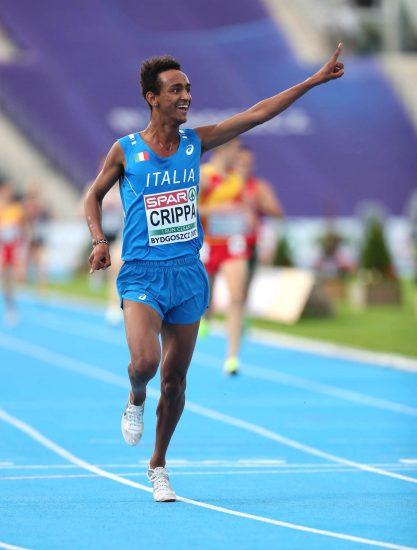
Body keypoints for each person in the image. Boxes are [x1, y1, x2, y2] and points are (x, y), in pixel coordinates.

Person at [84, 45, 344, 502]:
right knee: (144, 365)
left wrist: (312, 81)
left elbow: (258, 114)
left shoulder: (195, 143)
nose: (186, 95)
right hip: (143, 273)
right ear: (152, 97)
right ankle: (135, 398)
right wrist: (99, 239)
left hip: (187, 274)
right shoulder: (125, 150)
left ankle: (158, 465)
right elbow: (93, 196)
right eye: (175, 89)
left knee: (176, 380)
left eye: (187, 88)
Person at [198, 139, 250, 375]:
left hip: (231, 243)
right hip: (208, 243)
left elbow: (244, 206)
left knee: (237, 296)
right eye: (235, 151)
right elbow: (189, 208)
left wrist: (247, 217)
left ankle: (232, 357)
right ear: (223, 150)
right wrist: (217, 210)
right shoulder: (204, 176)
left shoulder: (237, 178)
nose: (239, 156)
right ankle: (205, 317)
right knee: (203, 296)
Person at [0, 180, 26, 325]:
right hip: (4, 248)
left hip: (14, 247)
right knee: (5, 280)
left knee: (18, 277)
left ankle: (13, 304)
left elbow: (23, 228)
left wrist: (22, 246)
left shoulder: (17, 210)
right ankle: (10, 306)